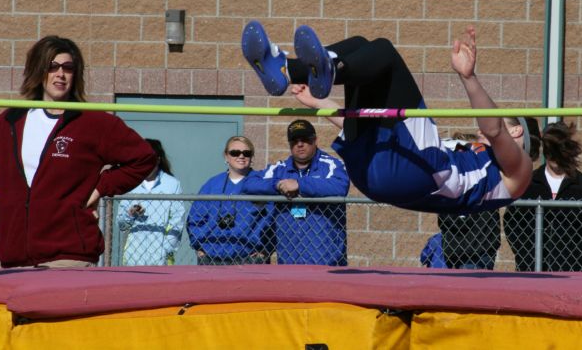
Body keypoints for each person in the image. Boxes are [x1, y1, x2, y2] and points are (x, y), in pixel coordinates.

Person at [241, 20, 532, 214]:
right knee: (358, 45)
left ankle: (321, 69)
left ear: (517, 133)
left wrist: (468, 78)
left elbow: (494, 130)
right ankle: (285, 70)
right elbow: (367, 125)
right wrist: (319, 103)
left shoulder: (519, 170)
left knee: (385, 53)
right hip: (376, 172)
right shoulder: (470, 154)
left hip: (416, 173)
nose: (485, 126)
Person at [0, 35, 157, 268]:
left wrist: (99, 189)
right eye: (52, 67)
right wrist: (20, 188)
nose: (60, 74)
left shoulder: (93, 122)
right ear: (38, 70)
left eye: (68, 68)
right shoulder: (11, 120)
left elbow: (143, 158)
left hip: (68, 256)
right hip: (15, 259)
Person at [504, 121, 582, 272]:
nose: (554, 158)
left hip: (570, 270)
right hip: (531, 267)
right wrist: (524, 251)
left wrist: (578, 254)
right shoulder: (529, 183)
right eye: (550, 151)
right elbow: (511, 221)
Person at [244, 119, 349, 266]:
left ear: (315, 140)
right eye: (294, 140)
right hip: (289, 262)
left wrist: (299, 185)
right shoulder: (280, 168)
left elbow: (340, 186)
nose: (300, 144)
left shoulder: (330, 164)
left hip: (326, 262)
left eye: (305, 139)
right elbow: (249, 184)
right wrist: (278, 186)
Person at [439, 119, 541, 270]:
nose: (480, 130)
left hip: (475, 249)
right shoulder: (477, 155)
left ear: (515, 131)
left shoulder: (498, 168)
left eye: (496, 125)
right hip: (454, 246)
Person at [186, 136, 274, 265]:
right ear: (226, 156)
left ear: (252, 157)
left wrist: (265, 250)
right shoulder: (212, 184)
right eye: (235, 153)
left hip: (250, 258)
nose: (241, 156)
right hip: (211, 258)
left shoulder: (261, 183)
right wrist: (200, 248)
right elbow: (195, 218)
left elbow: (273, 219)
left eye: (246, 153)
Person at [117, 139, 185, 266]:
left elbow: (178, 219)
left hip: (162, 258)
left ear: (158, 159)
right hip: (133, 257)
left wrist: (166, 249)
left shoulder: (172, 184)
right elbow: (121, 224)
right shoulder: (130, 183)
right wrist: (131, 213)